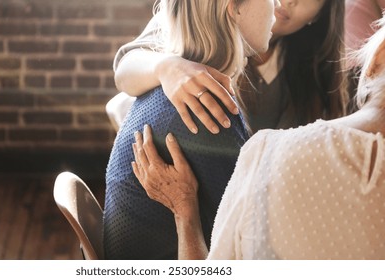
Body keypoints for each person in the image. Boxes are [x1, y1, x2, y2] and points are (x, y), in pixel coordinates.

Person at [132, 15, 385, 260]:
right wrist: (166, 67)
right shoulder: (181, 59)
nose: (282, 2)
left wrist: (185, 210)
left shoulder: (270, 148)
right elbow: (128, 63)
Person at [104, 0, 279, 259]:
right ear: (234, 7)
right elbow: (245, 253)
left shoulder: (170, 90)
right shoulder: (207, 116)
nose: (277, 4)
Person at [112, 0, 348, 135]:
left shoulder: (315, 72)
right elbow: (125, 68)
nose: (289, 1)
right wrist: (167, 68)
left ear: (319, 15)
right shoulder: (199, 16)